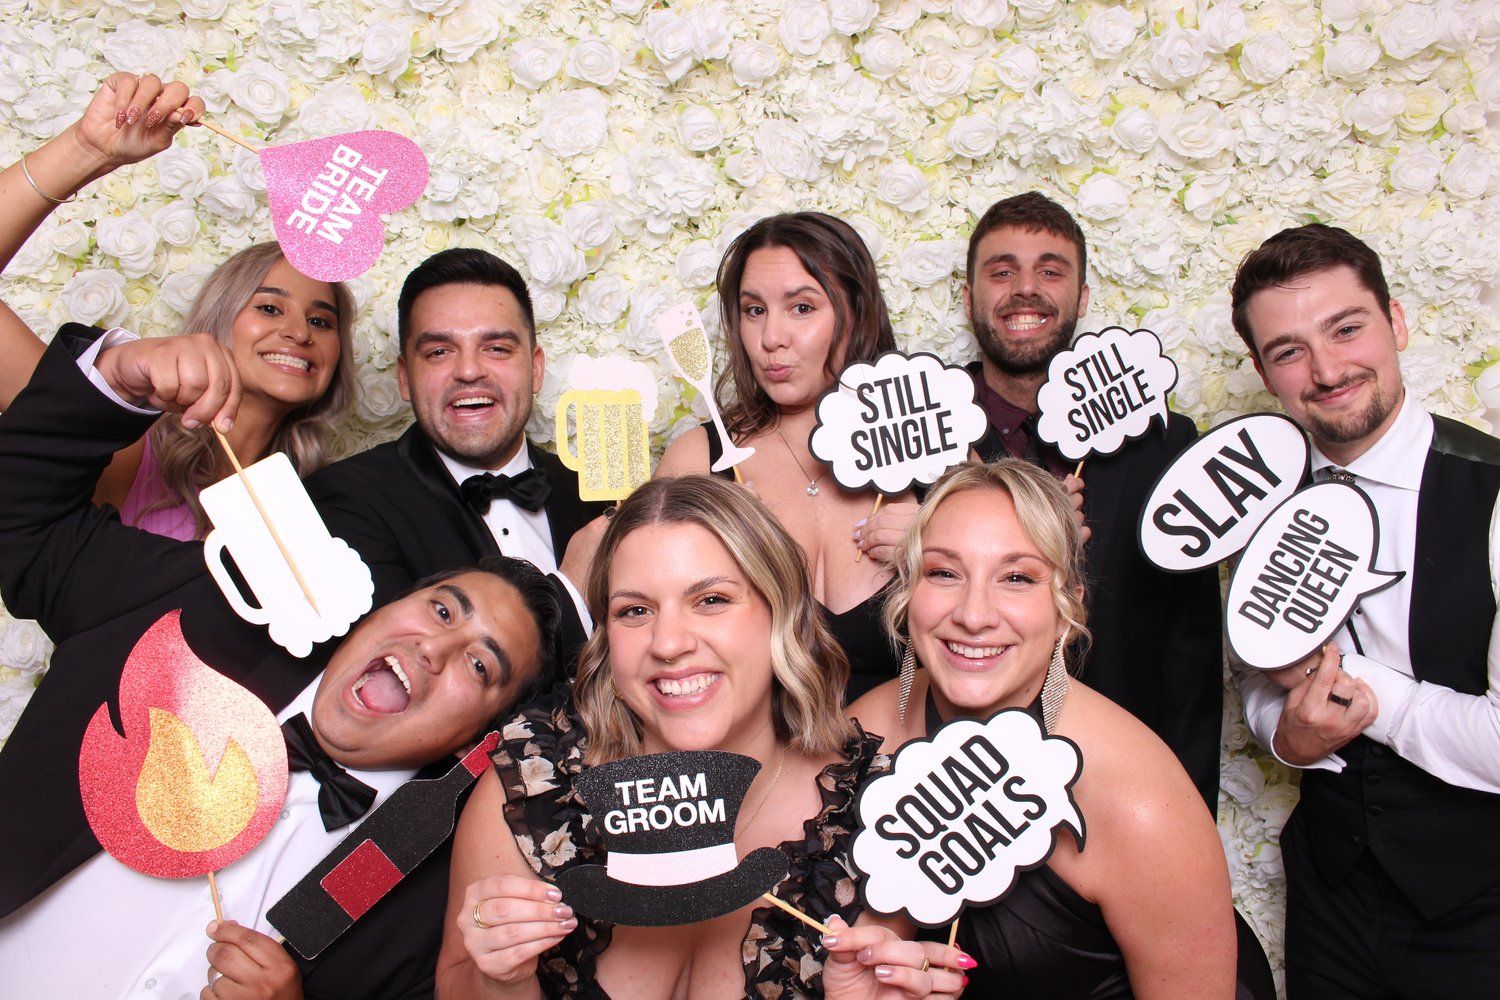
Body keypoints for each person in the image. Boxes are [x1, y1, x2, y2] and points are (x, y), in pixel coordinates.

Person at [0, 330, 561, 999]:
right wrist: (118, 379)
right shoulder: (205, 613)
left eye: (479, 666)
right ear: (384, 607)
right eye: (441, 611)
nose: (434, 651)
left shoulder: (439, 896)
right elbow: (26, 531)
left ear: (479, 739)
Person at [436, 476, 965, 998]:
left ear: (782, 612)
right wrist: (500, 980)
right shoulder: (538, 773)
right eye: (634, 610)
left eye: (711, 600)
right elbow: (456, 982)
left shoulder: (878, 815)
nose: (668, 644)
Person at [850, 461, 1251, 1000]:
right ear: (909, 590)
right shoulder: (857, 741)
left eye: (1017, 578)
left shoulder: (1141, 802)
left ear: (1067, 607)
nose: (974, 615)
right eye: (944, 573)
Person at [1229, 224, 1500, 998]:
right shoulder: (1258, 501)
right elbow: (1257, 674)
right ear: (1264, 372)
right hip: (1330, 898)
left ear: (1397, 322)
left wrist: (1366, 694)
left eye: (1346, 329)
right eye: (1289, 351)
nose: (1326, 370)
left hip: (1481, 908)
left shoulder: (1493, 496)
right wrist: (1285, 735)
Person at [949, 191, 1223, 807]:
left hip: (1121, 786)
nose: (1026, 289)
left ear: (1082, 299)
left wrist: (1189, 811)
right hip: (960, 794)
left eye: (1050, 271)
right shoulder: (919, 439)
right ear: (969, 299)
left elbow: (1190, 651)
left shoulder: (1164, 442)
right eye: (1002, 272)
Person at [0, 73, 355, 540]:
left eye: (321, 320)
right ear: (217, 320)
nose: (300, 332)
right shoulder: (122, 449)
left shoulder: (326, 513)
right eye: (269, 308)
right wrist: (87, 150)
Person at [305, 247, 608, 658]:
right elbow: (411, 675)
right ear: (404, 377)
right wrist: (571, 592)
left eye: (497, 348)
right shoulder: (342, 501)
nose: (469, 371)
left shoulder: (596, 497)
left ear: (536, 369)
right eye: (439, 352)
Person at [655, 213, 910, 700]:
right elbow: (646, 633)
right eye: (754, 310)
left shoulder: (933, 448)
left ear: (857, 313)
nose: (771, 337)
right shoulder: (700, 461)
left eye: (801, 308)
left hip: (911, 744)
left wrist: (943, 551)